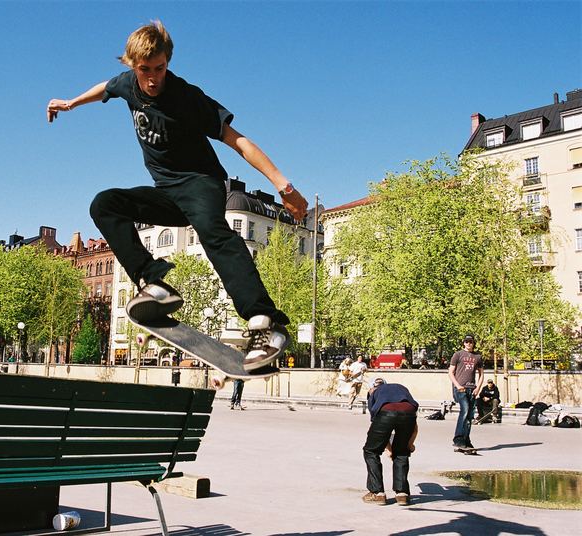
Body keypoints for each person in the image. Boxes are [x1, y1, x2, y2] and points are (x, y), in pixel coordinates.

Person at [46, 21, 308, 371]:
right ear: (131, 65)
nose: (153, 78)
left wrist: (284, 187)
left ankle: (264, 323)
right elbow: (105, 88)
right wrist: (72, 103)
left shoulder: (187, 97)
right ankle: (153, 284)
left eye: (160, 68)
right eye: (145, 70)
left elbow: (238, 140)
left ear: (168, 62)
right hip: (166, 193)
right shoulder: (127, 84)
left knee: (213, 233)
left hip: (202, 184)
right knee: (105, 204)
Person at [362, 378, 418, 506]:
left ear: (371, 388)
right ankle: (402, 494)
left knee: (371, 451)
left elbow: (379, 431)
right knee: (402, 452)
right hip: (409, 413)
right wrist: (409, 445)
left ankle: (377, 493)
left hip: (386, 413)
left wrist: (387, 448)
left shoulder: (374, 394)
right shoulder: (399, 388)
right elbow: (414, 427)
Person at [448, 334, 484, 451]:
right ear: (464, 343)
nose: (469, 343)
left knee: (470, 415)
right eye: (467, 341)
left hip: (472, 388)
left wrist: (478, 388)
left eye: (471, 342)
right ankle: (458, 438)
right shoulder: (457, 355)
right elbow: (450, 372)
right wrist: (457, 386)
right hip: (461, 388)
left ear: (473, 343)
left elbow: (481, 374)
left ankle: (466, 439)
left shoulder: (477, 356)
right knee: (465, 410)